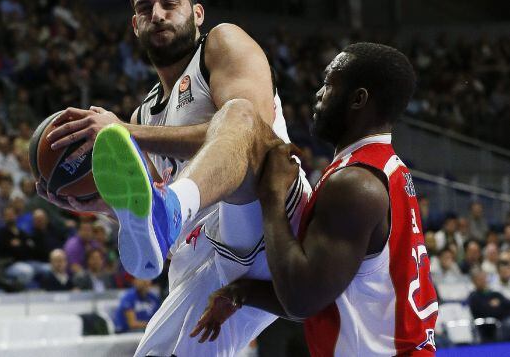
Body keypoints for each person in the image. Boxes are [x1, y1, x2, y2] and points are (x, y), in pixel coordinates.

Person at [37, 0, 310, 357]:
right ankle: (170, 212)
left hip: (267, 212)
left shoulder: (222, 43)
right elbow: (146, 208)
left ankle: (172, 210)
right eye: (145, 8)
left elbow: (254, 132)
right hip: (206, 259)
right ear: (135, 24)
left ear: (197, 14)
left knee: (238, 116)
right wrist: (98, 205)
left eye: (170, 3)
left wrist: (123, 134)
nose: (158, 14)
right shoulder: (143, 114)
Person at [150, 43, 437, 355]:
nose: (318, 94)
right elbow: (324, 290)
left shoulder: (355, 184)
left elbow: (303, 300)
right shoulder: (387, 170)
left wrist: (272, 197)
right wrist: (242, 291)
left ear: (358, 99)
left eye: (329, 84)